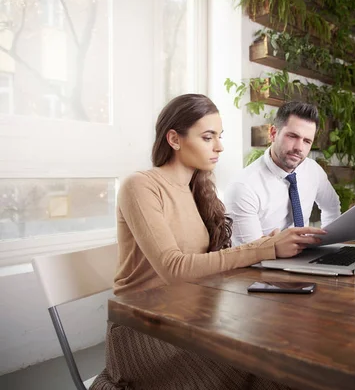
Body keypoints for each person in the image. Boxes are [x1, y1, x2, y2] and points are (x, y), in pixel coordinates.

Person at [91, 94, 326, 390]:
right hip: (145, 330)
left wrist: (262, 247)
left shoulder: (198, 189)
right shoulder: (141, 186)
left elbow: (208, 263)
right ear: (174, 139)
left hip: (191, 319)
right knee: (273, 373)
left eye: (220, 136)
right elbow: (174, 269)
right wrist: (261, 249)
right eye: (208, 137)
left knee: (288, 357)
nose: (219, 146)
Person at [225, 101, 341, 246]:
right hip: (263, 265)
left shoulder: (313, 170)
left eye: (307, 141)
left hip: (307, 258)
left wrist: (329, 244)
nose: (299, 147)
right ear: (273, 133)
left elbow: (332, 206)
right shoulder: (243, 187)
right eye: (292, 136)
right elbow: (251, 252)